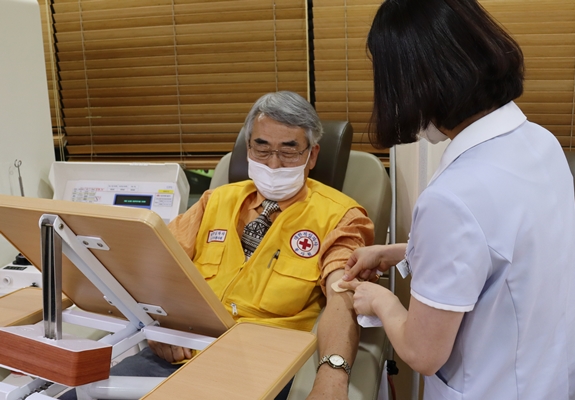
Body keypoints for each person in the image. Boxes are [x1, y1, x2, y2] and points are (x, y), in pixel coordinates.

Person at [339, 1, 575, 399]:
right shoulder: (540, 142)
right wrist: (402, 252)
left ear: (419, 80)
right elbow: (502, 253)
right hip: (548, 377)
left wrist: (382, 300)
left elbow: (423, 353)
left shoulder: (454, 196)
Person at [60, 91, 374, 400]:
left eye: (288, 151)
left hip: (259, 366)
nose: (274, 164)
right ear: (248, 149)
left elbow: (342, 296)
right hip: (176, 355)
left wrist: (333, 375)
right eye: (261, 149)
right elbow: (154, 268)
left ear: (312, 155)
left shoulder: (339, 216)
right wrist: (160, 330)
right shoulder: (215, 201)